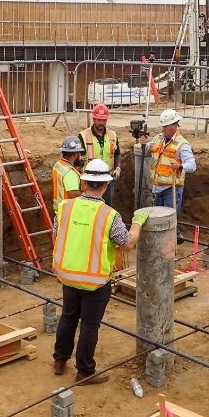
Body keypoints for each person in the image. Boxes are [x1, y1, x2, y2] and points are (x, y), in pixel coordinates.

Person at [52, 159, 146, 384]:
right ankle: (84, 371)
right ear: (105, 185)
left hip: (67, 274)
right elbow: (127, 244)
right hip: (95, 281)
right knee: (89, 325)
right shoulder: (109, 215)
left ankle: (60, 359)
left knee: (67, 317)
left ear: (83, 182)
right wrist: (138, 222)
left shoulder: (65, 207)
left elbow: (56, 235)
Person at [139, 108, 196, 243]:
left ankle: (171, 240)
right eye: (163, 126)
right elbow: (148, 149)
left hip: (172, 188)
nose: (163, 129)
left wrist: (180, 166)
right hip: (157, 187)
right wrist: (144, 143)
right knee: (159, 217)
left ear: (174, 126)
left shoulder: (182, 144)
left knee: (169, 216)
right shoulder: (158, 139)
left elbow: (192, 164)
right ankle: (164, 239)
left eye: (166, 126)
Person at [79, 104, 121, 205]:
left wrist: (118, 168)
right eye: (98, 120)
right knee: (91, 208)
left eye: (103, 120)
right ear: (93, 119)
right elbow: (77, 159)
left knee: (107, 209)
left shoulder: (113, 135)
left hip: (107, 180)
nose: (101, 123)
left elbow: (117, 154)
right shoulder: (83, 136)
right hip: (90, 182)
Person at [52, 136, 84, 215]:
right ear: (76, 154)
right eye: (79, 153)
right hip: (68, 212)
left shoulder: (58, 164)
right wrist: (87, 197)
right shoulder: (70, 173)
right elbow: (73, 193)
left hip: (60, 210)